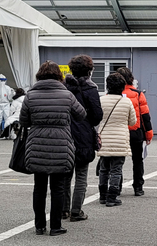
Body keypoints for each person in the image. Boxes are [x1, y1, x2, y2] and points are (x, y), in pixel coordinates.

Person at [20, 61, 86, 236]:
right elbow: (81, 115)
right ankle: (56, 226)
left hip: (37, 145)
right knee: (58, 187)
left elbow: (23, 122)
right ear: (59, 76)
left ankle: (39, 226)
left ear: (39, 75)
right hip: (61, 145)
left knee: (39, 188)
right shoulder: (67, 95)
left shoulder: (30, 96)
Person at [62, 55, 104, 220]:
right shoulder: (90, 88)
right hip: (84, 135)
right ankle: (76, 211)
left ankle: (63, 209)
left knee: (65, 175)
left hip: (65, 134)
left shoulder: (63, 87)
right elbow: (97, 115)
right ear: (89, 70)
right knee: (81, 175)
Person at [97, 73, 137, 207]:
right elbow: (133, 122)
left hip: (104, 139)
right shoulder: (126, 102)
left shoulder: (101, 100)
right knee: (116, 169)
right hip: (120, 139)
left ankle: (102, 195)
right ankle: (112, 197)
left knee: (104, 169)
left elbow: (96, 118)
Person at [116, 67, 153, 197]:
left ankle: (117, 186)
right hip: (135, 131)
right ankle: (138, 187)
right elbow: (145, 117)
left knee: (117, 161)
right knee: (137, 160)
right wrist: (148, 134)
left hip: (119, 132)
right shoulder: (138, 94)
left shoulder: (114, 94)